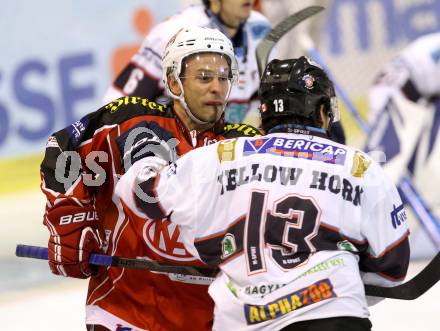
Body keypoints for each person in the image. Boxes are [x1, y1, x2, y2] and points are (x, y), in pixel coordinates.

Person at [116, 56, 410, 330]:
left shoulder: (219, 156)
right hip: (333, 314)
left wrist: (146, 153)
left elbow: (143, 194)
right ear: (322, 112)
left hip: (244, 320)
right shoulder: (359, 165)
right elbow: (392, 267)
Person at [40, 26, 260, 331]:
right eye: (205, 77)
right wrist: (70, 220)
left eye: (224, 78)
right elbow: (62, 150)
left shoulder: (247, 147)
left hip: (212, 319)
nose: (217, 89)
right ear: (173, 82)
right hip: (124, 310)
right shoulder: (128, 121)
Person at [103, 0, 272, 127]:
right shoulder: (173, 32)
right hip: (173, 151)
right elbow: (115, 107)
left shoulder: (260, 27)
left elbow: (261, 96)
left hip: (223, 151)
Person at [365, 32, 440, 248]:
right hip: (394, 95)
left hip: (426, 97)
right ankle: (373, 237)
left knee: (418, 171)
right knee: (385, 171)